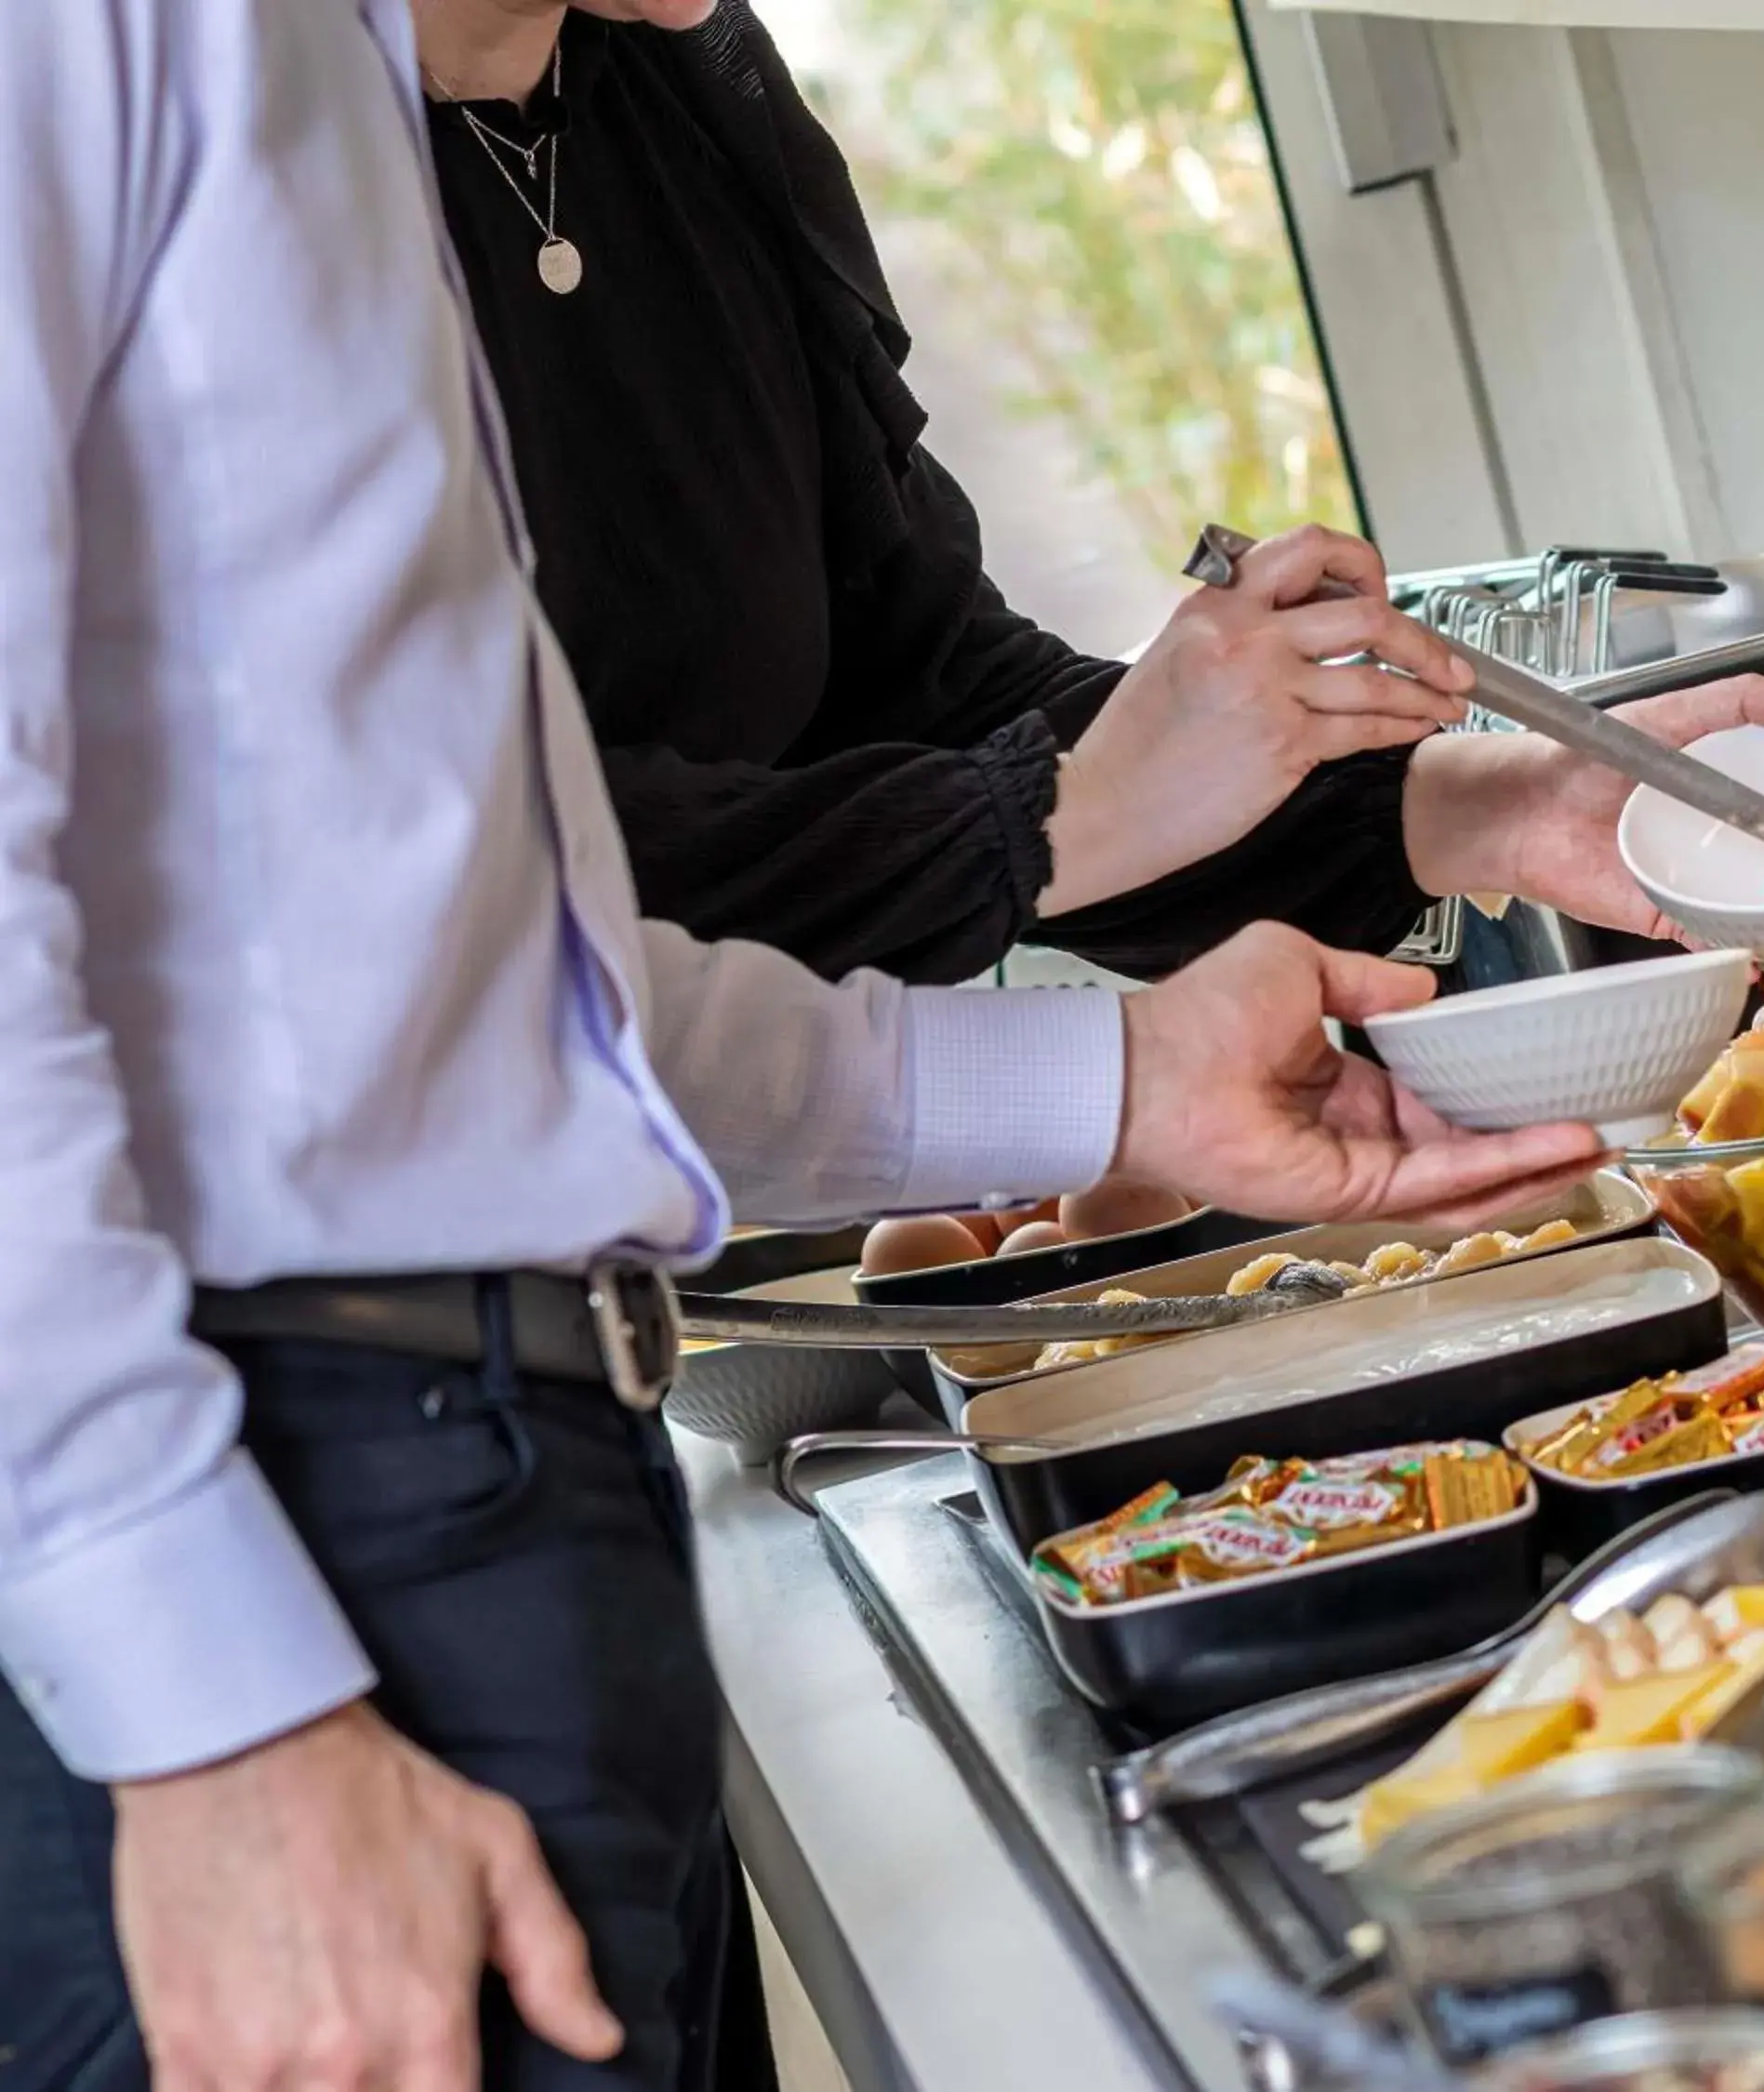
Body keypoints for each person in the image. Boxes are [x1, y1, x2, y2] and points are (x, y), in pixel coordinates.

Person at [0, 6, 1604, 2088]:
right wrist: (215, 1716)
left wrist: (1118, 1081)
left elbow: (517, 965)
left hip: (524, 1469)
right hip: (254, 1516)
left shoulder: (545, 90)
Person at [412, 0, 1764, 986]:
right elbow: (478, 866)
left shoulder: (685, 83)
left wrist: (1481, 804)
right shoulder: (259, 208)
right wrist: (1058, 817)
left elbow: (922, 681)